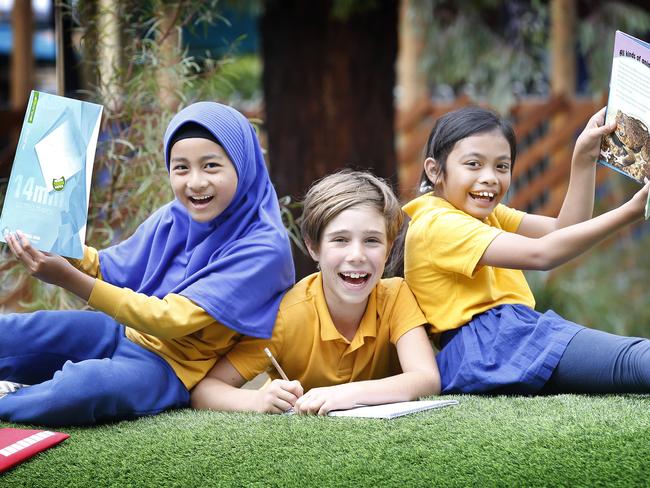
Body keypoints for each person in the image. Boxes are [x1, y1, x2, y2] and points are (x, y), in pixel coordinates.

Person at [0, 102, 295, 425]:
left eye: (211, 166)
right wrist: (56, 239)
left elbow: (170, 320)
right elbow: (107, 268)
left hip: (169, 367)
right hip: (123, 331)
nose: (195, 182)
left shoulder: (264, 247)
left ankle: (14, 400)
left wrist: (67, 278)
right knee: (15, 331)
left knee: (77, 390)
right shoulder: (177, 215)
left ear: (243, 164)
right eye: (181, 168)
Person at [402, 105, 650, 395]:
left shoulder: (482, 216)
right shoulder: (437, 223)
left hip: (503, 341)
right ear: (435, 171)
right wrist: (634, 210)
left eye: (501, 166)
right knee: (634, 360)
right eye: (473, 164)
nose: (490, 177)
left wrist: (584, 158)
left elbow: (564, 230)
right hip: (492, 345)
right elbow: (542, 254)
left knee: (634, 360)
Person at [191, 171, 440, 415]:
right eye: (340, 240)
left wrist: (348, 394)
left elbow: (426, 378)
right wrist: (257, 399)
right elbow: (206, 391)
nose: (356, 255)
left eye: (372, 241)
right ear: (313, 247)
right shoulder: (284, 317)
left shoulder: (396, 297)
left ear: (388, 249)